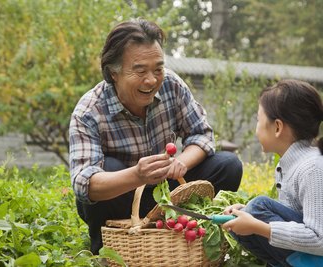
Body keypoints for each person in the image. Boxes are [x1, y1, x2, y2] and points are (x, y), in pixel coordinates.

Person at [69, 18, 242, 255]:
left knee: (228, 165)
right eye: (140, 71)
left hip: (167, 192)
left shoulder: (171, 85)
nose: (152, 80)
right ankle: (106, 247)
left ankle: (188, 237)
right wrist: (137, 175)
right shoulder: (89, 111)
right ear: (114, 73)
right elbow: (83, 183)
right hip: (122, 198)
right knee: (108, 167)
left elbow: (201, 134)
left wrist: (182, 162)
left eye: (157, 69)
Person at [222, 79, 323, 266]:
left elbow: (319, 238)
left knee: (259, 207)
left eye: (258, 120)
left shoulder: (313, 167)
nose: (256, 129)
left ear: (277, 127)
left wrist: (260, 226)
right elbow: (289, 215)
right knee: (246, 217)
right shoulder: (290, 163)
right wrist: (248, 214)